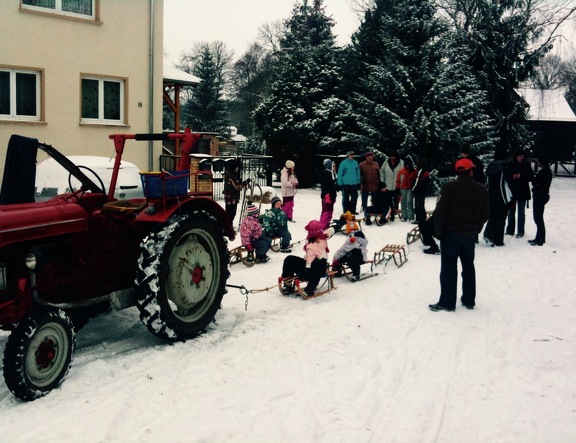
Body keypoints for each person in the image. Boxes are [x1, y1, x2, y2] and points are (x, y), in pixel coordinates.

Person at [429, 158, 489, 312]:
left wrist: (439, 233)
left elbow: (440, 213)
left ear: (457, 172)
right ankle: (469, 300)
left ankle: (447, 303)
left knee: (449, 269)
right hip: (469, 235)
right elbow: (485, 213)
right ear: (471, 171)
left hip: (450, 235)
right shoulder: (481, 189)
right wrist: (476, 229)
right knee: (468, 267)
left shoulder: (449, 187)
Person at [280, 220, 333, 296]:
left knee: (316, 262)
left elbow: (331, 230)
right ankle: (287, 284)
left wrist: (307, 269)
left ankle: (310, 289)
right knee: (289, 259)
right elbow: (309, 258)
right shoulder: (310, 239)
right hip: (308, 264)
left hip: (320, 266)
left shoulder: (324, 236)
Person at [483, 157, 513, 247]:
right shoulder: (504, 169)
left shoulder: (490, 168)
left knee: (493, 216)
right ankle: (497, 239)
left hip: (491, 196)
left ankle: (490, 235)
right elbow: (504, 184)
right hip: (502, 197)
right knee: (501, 217)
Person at [506, 149, 534, 238]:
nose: (521, 158)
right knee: (511, 212)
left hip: (522, 192)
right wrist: (512, 176)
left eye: (522, 156)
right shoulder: (511, 164)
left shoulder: (527, 164)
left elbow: (530, 177)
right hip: (513, 192)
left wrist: (521, 176)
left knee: (521, 212)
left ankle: (520, 231)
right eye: (519, 156)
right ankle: (510, 230)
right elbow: (507, 176)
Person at [413, 158, 438, 254]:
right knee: (420, 205)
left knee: (419, 206)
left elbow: (417, 182)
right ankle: (421, 218)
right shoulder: (426, 171)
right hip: (422, 192)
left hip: (419, 192)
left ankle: (420, 219)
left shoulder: (421, 171)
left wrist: (414, 190)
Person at [528, 155, 553, 246]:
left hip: (540, 196)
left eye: (538, 161)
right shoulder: (547, 171)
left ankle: (540, 239)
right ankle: (539, 238)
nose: (538, 163)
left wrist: (535, 181)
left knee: (538, 218)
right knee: (538, 217)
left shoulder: (544, 172)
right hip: (542, 195)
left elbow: (535, 183)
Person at [379, 150, 404, 221]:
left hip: (397, 185)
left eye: (393, 156)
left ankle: (395, 212)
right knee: (388, 201)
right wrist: (382, 182)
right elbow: (382, 171)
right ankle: (391, 214)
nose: (392, 158)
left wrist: (401, 183)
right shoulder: (386, 162)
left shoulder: (401, 162)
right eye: (391, 156)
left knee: (396, 201)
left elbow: (403, 173)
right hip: (388, 185)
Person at [223, 159, 249, 226]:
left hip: (228, 197)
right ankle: (227, 228)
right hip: (232, 197)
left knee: (228, 213)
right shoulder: (233, 176)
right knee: (232, 213)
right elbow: (238, 186)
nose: (238, 168)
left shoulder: (227, 175)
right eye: (237, 167)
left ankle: (228, 227)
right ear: (234, 167)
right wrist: (246, 182)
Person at [319, 158, 337, 229]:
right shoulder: (325, 173)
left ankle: (327, 224)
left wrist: (334, 196)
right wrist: (327, 195)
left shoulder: (333, 174)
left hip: (331, 196)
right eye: (333, 166)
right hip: (327, 196)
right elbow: (324, 186)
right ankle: (322, 226)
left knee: (330, 211)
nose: (335, 168)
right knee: (326, 211)